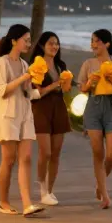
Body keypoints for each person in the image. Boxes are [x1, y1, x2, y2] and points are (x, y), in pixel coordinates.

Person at [0, 24, 45, 217]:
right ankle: (3, 202)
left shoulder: (23, 64)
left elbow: (28, 93)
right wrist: (24, 77)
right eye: (26, 40)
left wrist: (53, 86)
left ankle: (27, 204)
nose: (29, 44)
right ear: (14, 41)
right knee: (8, 159)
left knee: (26, 158)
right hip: (7, 115)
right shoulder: (2, 63)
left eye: (30, 40)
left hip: (24, 114)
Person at [77, 29, 112, 209]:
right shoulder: (88, 63)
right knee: (98, 153)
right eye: (92, 41)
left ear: (106, 44)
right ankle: (105, 195)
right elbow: (81, 88)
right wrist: (89, 83)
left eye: (97, 41)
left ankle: (101, 183)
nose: (93, 44)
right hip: (93, 107)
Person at [29, 32, 71, 206]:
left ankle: (50, 190)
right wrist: (55, 85)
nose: (54, 47)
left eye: (57, 44)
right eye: (51, 43)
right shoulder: (36, 66)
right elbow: (34, 93)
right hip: (41, 109)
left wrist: (67, 84)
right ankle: (42, 189)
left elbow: (65, 89)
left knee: (56, 154)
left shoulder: (61, 65)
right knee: (45, 152)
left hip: (59, 108)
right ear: (42, 46)